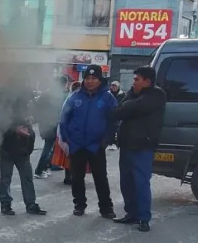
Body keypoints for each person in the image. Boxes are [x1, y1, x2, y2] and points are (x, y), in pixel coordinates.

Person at [57, 65, 117, 218]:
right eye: (87, 78)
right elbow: (64, 118)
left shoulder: (107, 98)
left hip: (96, 145)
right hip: (76, 145)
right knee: (77, 178)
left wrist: (107, 139)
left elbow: (114, 121)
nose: (90, 81)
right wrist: (67, 139)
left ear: (100, 80)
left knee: (100, 178)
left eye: (94, 78)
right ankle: (79, 204)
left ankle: (106, 208)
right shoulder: (74, 97)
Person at [113, 66, 167, 233]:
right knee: (126, 182)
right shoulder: (132, 93)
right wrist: (129, 102)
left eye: (137, 79)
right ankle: (131, 213)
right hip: (126, 145)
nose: (134, 82)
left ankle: (144, 218)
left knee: (141, 183)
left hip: (143, 147)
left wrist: (128, 105)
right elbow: (118, 111)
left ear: (147, 81)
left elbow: (136, 107)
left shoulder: (157, 94)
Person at [0, 74, 46, 216]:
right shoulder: (2, 100)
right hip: (6, 146)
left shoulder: (27, 100)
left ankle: (31, 204)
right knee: (6, 178)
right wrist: (14, 129)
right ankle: (5, 204)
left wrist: (31, 121)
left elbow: (32, 118)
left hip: (23, 147)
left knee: (27, 177)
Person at [35, 76, 69, 178]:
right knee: (48, 148)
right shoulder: (58, 95)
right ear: (64, 84)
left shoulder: (47, 93)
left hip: (45, 124)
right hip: (52, 124)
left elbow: (38, 107)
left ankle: (46, 167)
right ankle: (39, 170)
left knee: (51, 147)